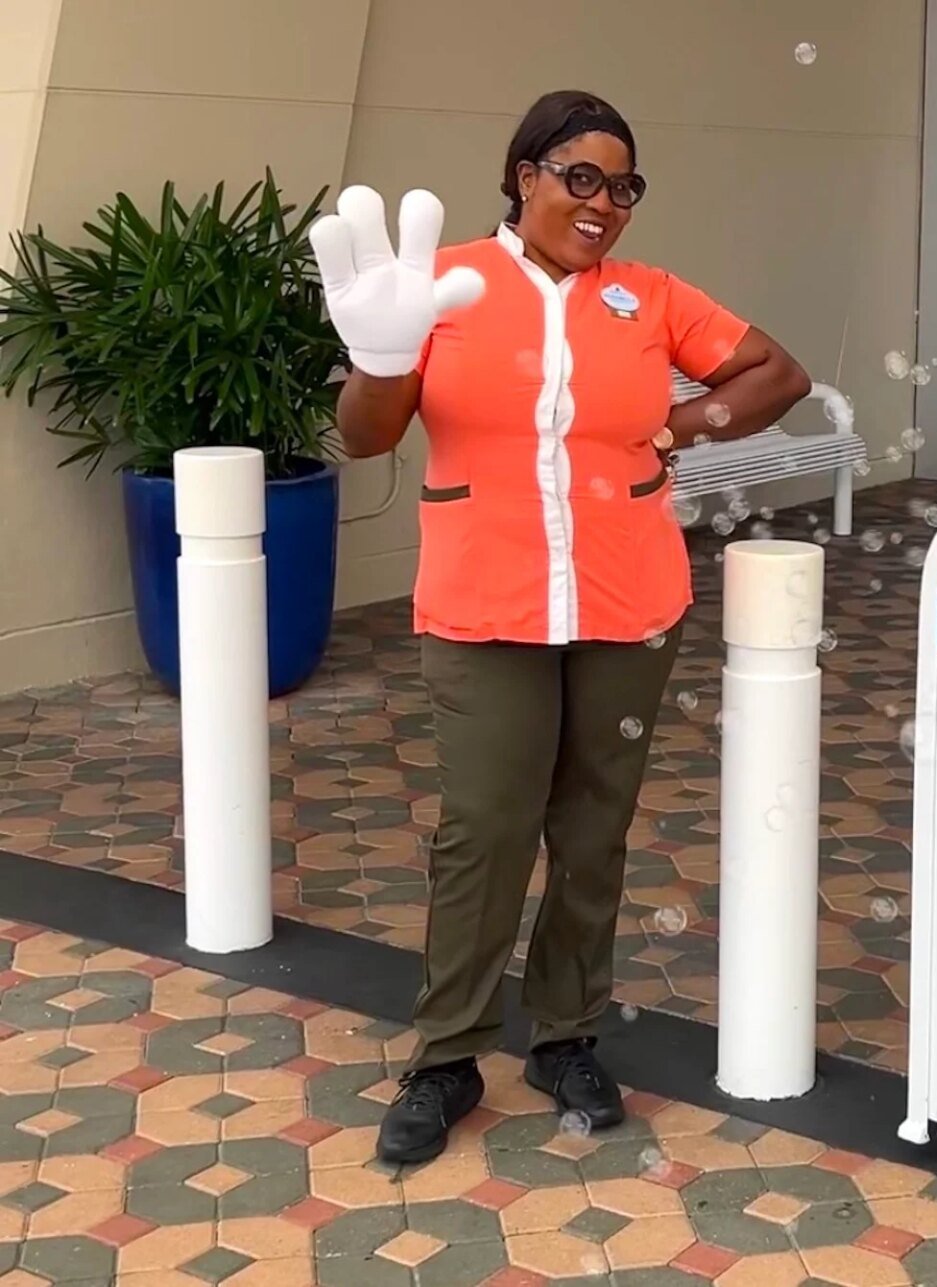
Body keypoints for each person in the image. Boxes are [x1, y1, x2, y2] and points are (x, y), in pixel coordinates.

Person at [309, 89, 811, 1164]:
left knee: (591, 833)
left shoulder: (648, 296)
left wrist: (682, 425)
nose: (604, 204)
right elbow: (365, 440)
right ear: (524, 173)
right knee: (484, 830)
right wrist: (383, 359)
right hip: (486, 604)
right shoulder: (440, 285)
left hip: (629, 603)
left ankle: (567, 1034)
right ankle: (446, 1053)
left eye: (623, 186)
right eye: (580, 177)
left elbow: (777, 373)